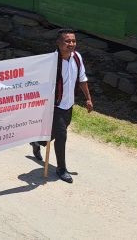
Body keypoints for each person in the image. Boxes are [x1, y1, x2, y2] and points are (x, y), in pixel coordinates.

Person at [30, 29, 93, 184]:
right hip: (55, 106)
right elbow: (39, 83)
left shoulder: (77, 57)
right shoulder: (51, 61)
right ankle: (61, 169)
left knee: (52, 136)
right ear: (58, 43)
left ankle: (37, 142)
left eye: (73, 41)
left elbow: (82, 79)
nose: (71, 44)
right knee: (61, 137)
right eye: (67, 41)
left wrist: (88, 99)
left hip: (68, 105)